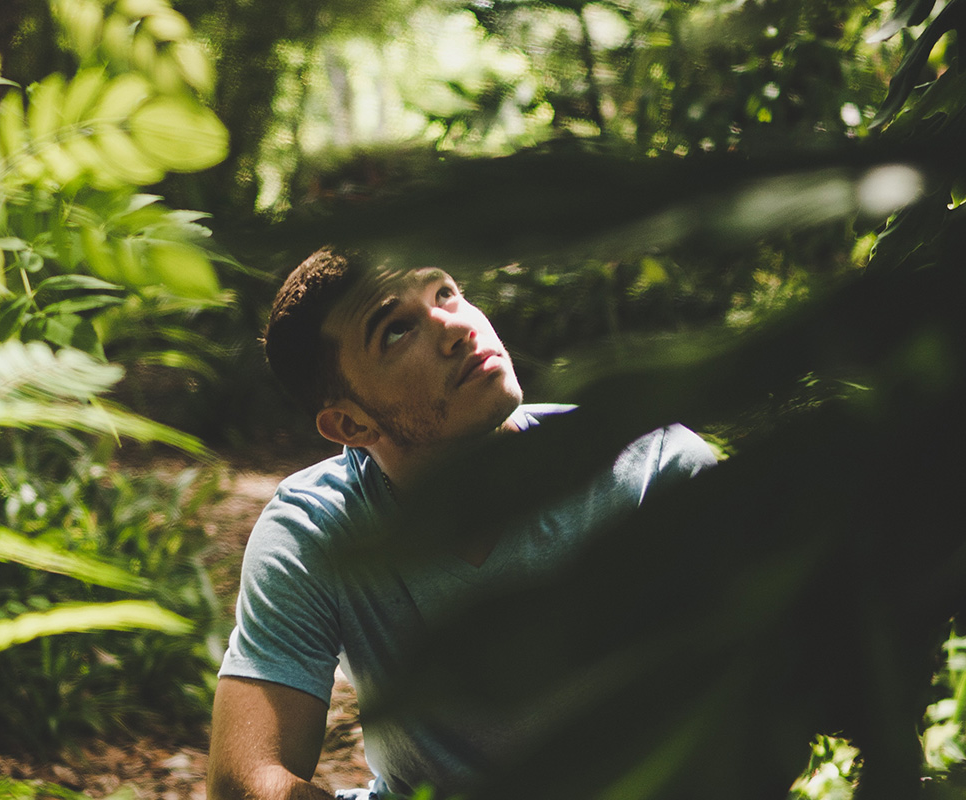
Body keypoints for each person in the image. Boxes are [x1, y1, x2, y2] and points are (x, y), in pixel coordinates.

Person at [207, 247, 716, 800]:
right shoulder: (316, 529)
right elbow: (244, 781)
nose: (456, 327)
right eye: (396, 331)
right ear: (350, 422)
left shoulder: (649, 466)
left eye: (446, 293)